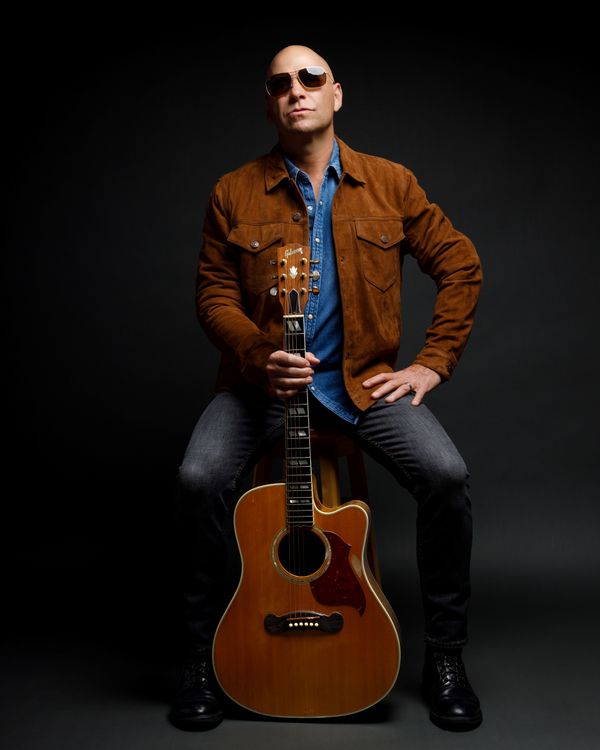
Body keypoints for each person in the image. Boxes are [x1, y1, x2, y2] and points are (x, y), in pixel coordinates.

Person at [168, 44, 483, 733]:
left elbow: (460, 265)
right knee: (197, 479)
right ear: (269, 104)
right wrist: (260, 356)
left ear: (337, 94)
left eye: (311, 78)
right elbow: (213, 295)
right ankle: (197, 659)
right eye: (280, 83)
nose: (297, 90)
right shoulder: (233, 192)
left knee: (446, 476)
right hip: (260, 389)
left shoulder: (392, 184)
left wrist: (432, 362)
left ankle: (445, 657)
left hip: (360, 389)